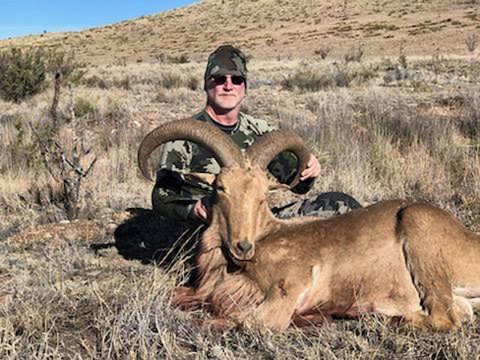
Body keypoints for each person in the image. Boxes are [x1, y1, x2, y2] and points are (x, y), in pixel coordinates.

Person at [152, 45, 361, 228]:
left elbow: (297, 185)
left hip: (257, 226)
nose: (228, 85)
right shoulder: (186, 136)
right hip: (212, 230)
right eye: (218, 79)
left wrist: (309, 171)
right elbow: (162, 197)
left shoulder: (259, 131)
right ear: (206, 84)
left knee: (340, 206)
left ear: (244, 87)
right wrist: (193, 209)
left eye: (236, 79)